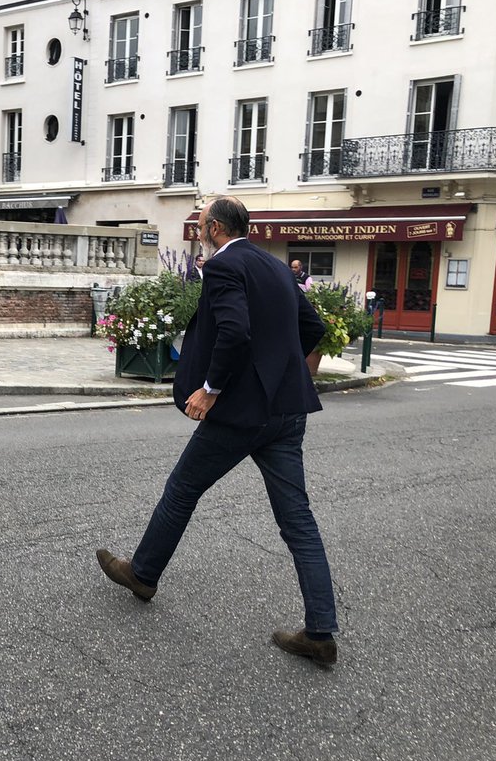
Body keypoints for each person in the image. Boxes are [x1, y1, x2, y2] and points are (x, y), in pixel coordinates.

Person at [95, 196, 340, 665]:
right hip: (287, 410)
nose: (199, 231)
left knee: (182, 489)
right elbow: (310, 326)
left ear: (215, 229)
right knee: (298, 520)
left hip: (241, 413)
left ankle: (142, 574)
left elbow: (234, 332)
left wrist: (210, 390)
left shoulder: (225, 266)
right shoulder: (277, 268)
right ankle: (321, 631)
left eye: (202, 223)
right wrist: (279, 368)